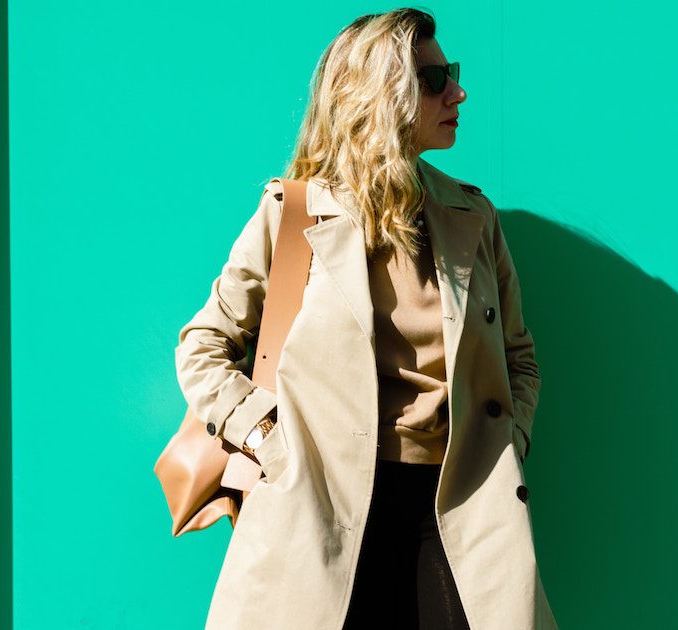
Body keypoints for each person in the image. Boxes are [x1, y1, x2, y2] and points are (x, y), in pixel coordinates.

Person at [175, 8, 557, 629]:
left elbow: (519, 357)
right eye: (435, 80)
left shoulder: (473, 218)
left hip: (459, 504)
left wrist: (508, 445)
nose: (458, 92)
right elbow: (204, 345)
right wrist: (270, 441)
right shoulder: (294, 213)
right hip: (323, 504)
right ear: (384, 94)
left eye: (452, 74)